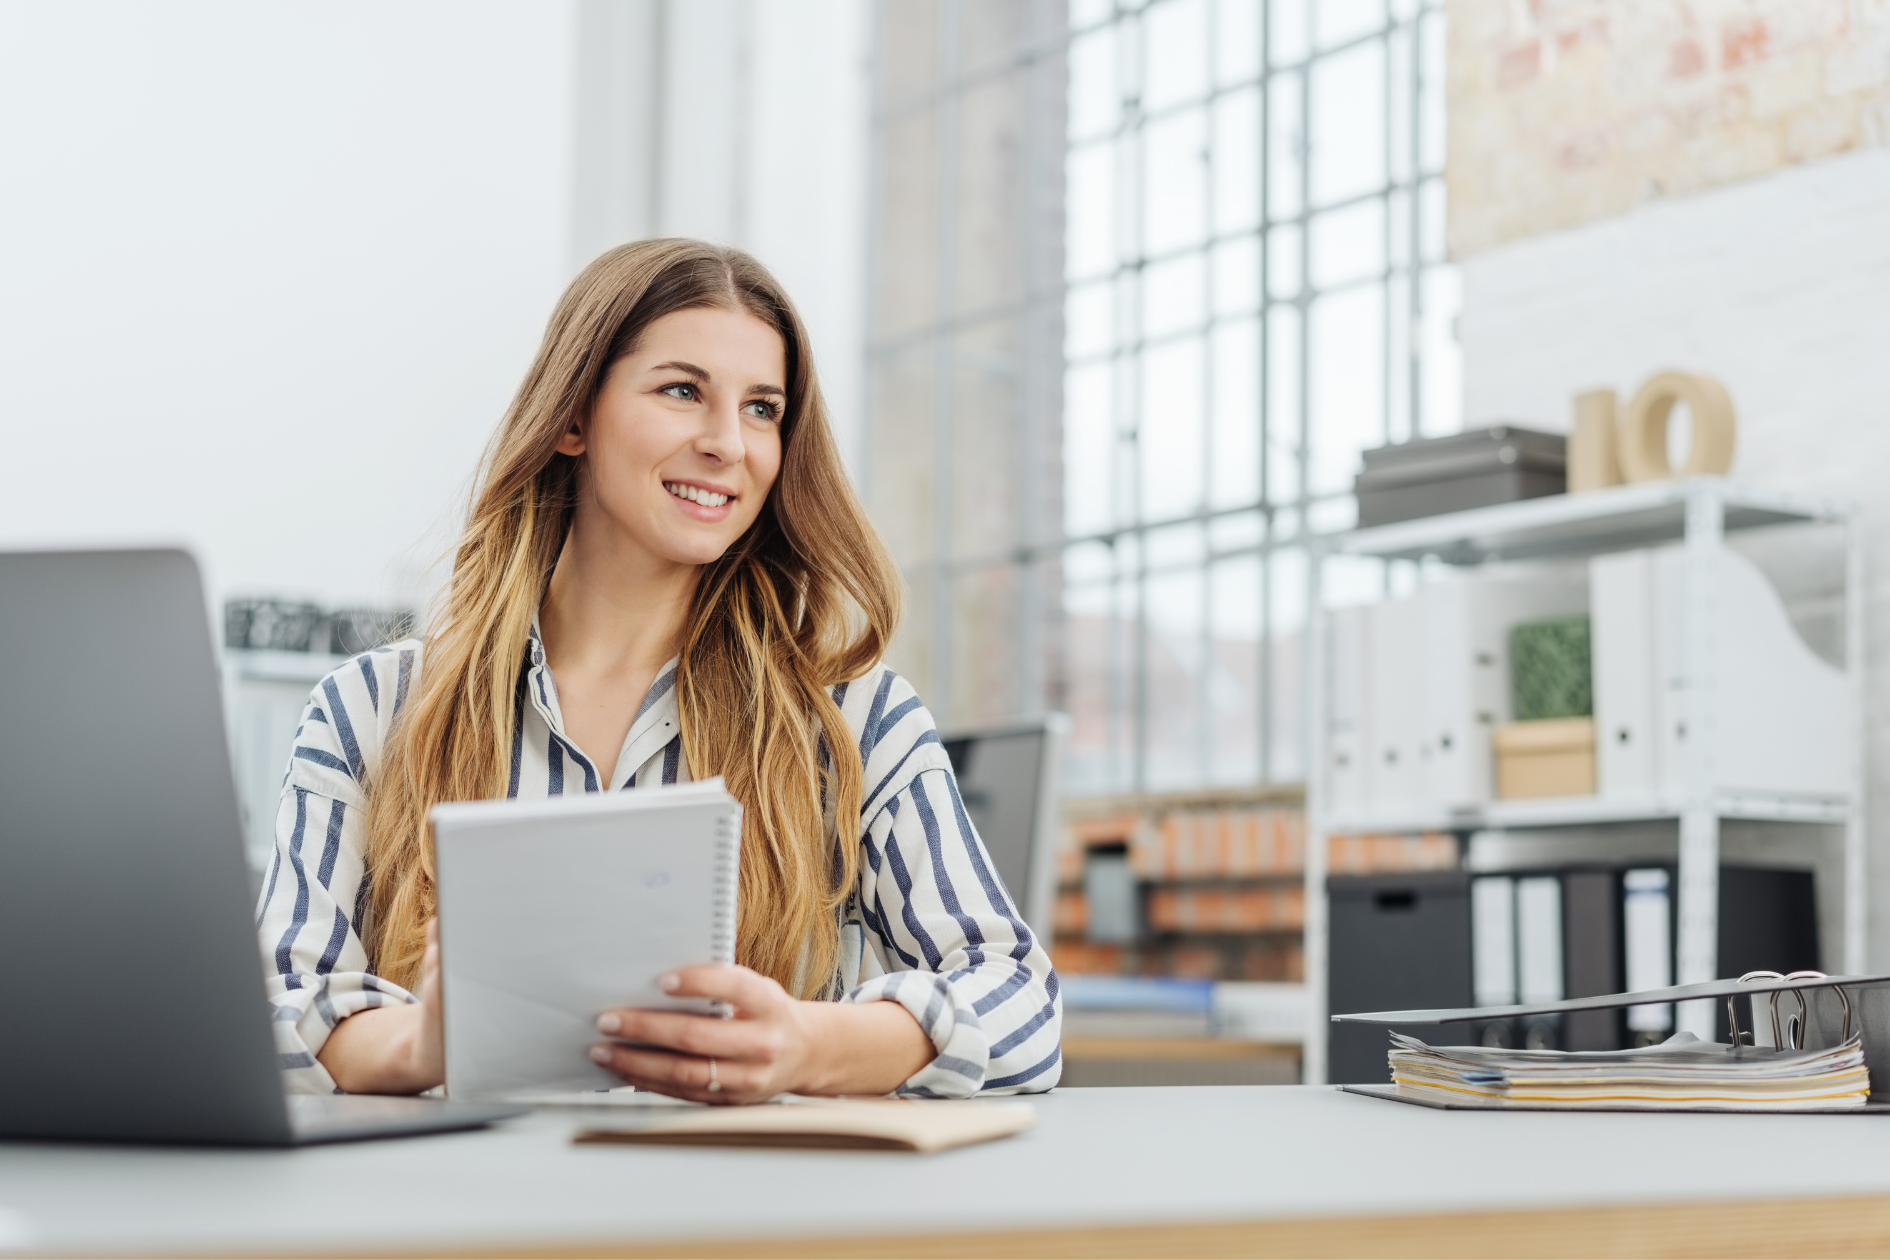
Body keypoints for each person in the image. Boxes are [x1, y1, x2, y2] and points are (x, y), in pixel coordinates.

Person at [255, 239, 1061, 1102]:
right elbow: (277, 1007)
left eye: (762, 409)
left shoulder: (854, 721)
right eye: (683, 391)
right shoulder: (371, 710)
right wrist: (425, 1044)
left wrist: (805, 1044)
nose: (728, 444)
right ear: (572, 419)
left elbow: (1020, 1003)